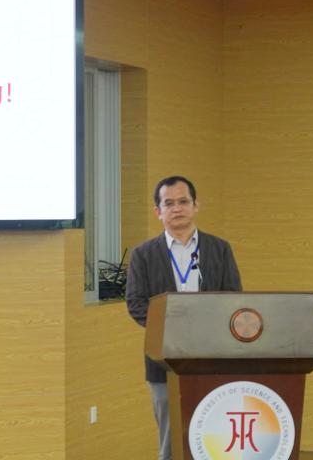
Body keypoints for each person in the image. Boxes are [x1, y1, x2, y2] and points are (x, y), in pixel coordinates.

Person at [125, 175, 242, 460]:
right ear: (158, 211)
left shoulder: (219, 249)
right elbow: (136, 303)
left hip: (213, 355)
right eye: (169, 203)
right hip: (164, 359)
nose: (177, 208)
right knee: (171, 437)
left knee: (214, 433)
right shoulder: (143, 255)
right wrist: (172, 328)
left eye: (183, 201)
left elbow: (234, 297)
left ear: (195, 205)